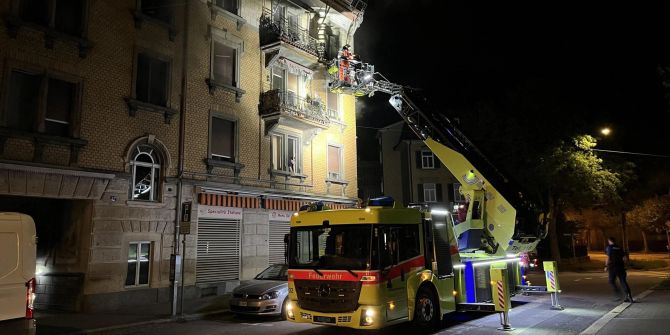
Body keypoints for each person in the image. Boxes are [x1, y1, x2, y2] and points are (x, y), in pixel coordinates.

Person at [605, 237, 633, 302]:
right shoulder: (619, 247)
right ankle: (629, 296)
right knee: (623, 281)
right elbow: (625, 258)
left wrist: (606, 266)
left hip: (613, 267)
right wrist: (625, 265)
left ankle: (618, 293)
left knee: (611, 281)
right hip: (621, 267)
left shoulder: (609, 248)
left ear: (609, 241)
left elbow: (608, 257)